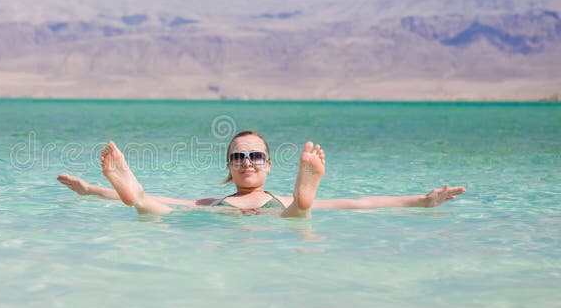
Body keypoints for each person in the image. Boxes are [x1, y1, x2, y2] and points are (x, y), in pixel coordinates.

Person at [57, 130, 465, 217]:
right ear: (229, 167)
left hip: (282, 210)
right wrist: (91, 189)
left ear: (268, 165)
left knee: (301, 212)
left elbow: (360, 203)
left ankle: (306, 195)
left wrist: (421, 200)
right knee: (157, 208)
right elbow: (174, 199)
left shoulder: (282, 198)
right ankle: (135, 191)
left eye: (255, 156)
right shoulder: (213, 201)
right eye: (239, 157)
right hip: (222, 217)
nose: (247, 162)